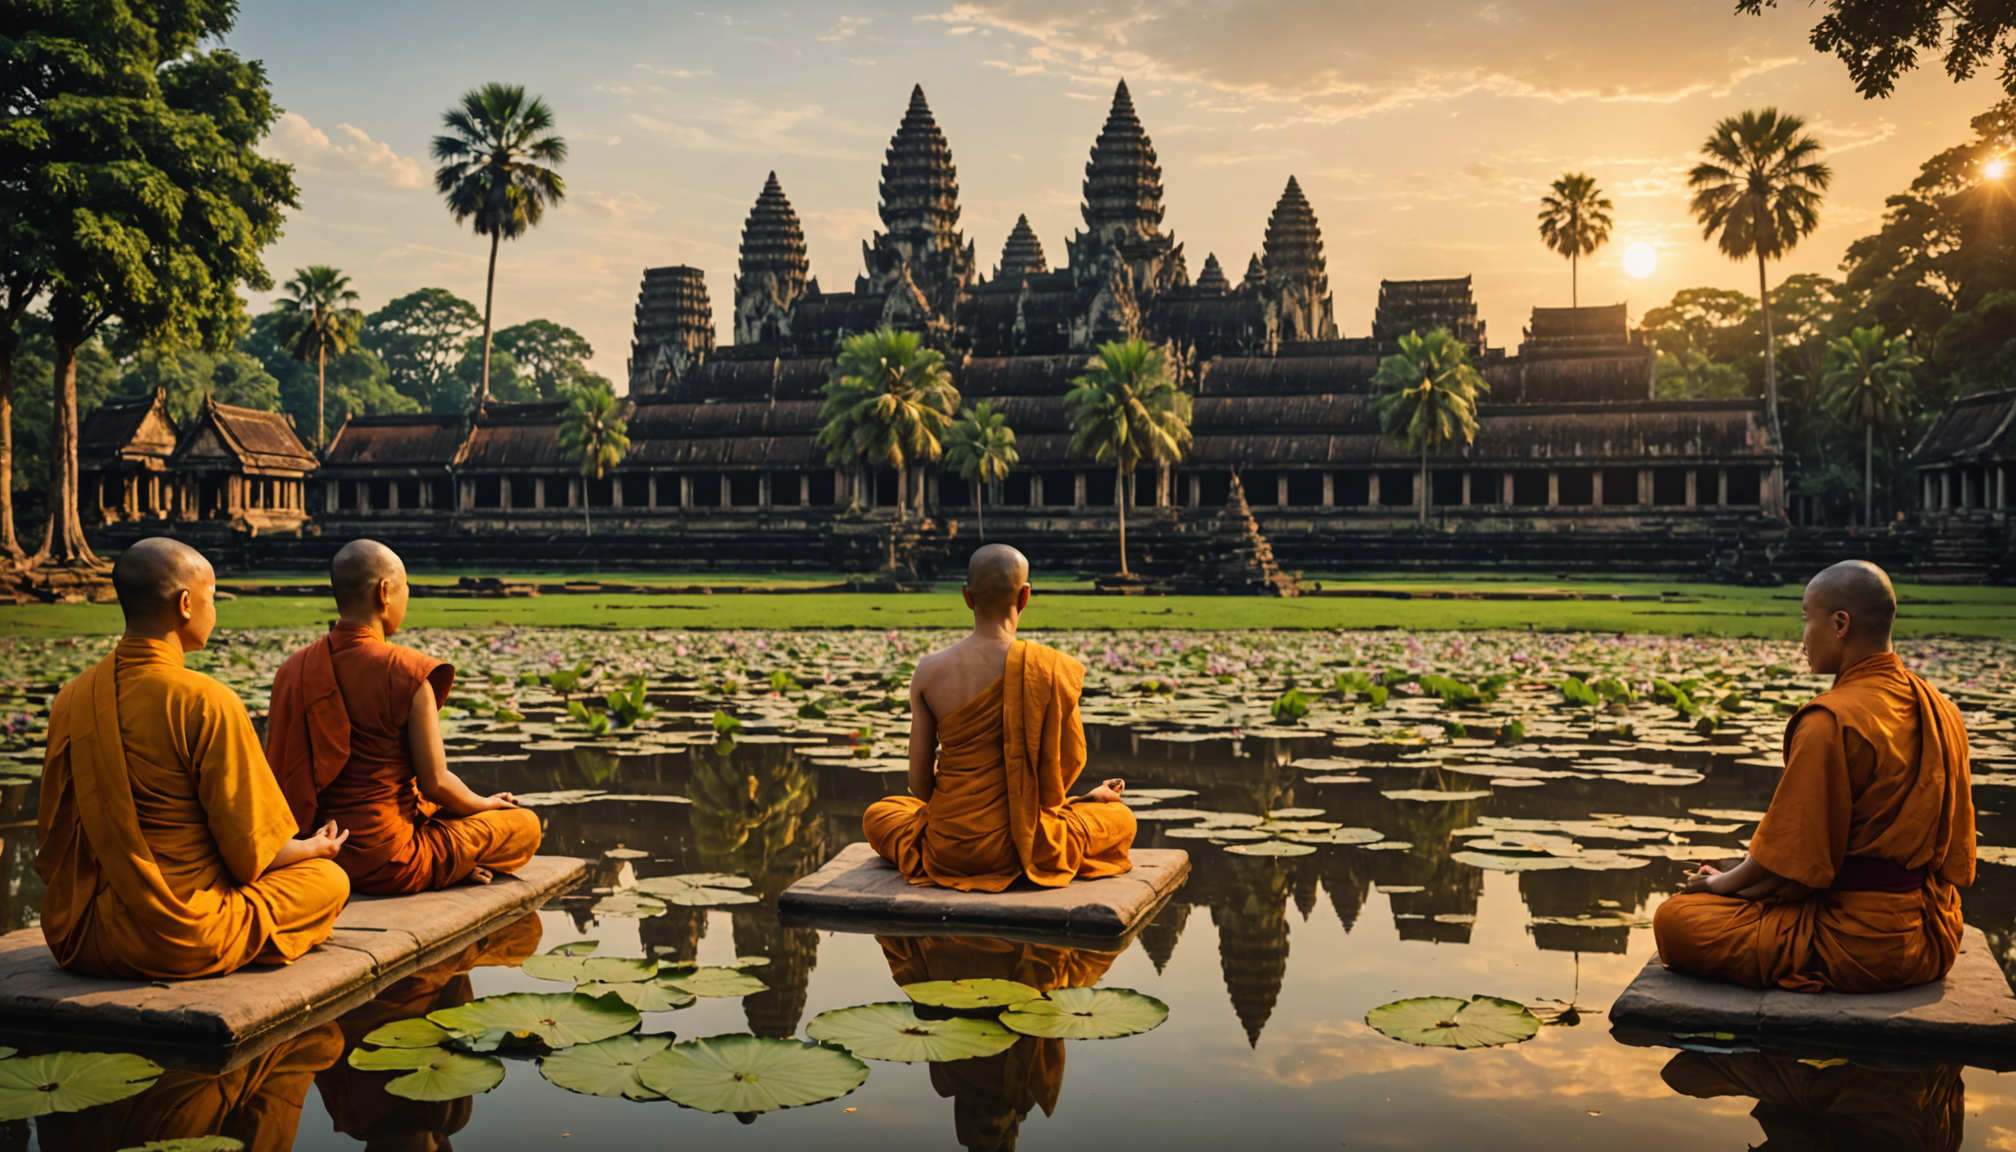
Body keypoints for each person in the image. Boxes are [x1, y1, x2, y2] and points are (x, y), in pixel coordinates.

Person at [1653, 560, 1975, 992]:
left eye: (1807, 619)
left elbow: (1790, 867)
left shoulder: (1831, 720)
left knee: (1675, 920)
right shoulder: (1942, 709)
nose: (1802, 636)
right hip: (1936, 937)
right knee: (1734, 880)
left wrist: (1714, 884)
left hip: (1860, 945)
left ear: (1841, 624)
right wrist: (1737, 874)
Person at [36, 537, 350, 979]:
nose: (213, 610)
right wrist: (315, 847)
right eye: (211, 597)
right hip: (177, 937)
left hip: (77, 934)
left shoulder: (70, 698)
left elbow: (51, 837)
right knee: (329, 881)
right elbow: (251, 858)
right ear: (185, 604)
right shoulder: (206, 701)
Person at [267, 540, 540, 894]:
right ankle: (452, 866)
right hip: (393, 860)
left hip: (316, 849)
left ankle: (454, 862)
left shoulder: (293, 669)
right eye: (405, 587)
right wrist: (485, 803)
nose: (406, 597)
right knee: (524, 825)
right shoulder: (408, 671)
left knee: (453, 816)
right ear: (385, 592)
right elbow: (436, 783)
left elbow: (279, 776)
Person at [863, 544, 1134, 890]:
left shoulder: (929, 671)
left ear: (966, 596)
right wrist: (1081, 800)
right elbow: (1058, 782)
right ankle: (1083, 810)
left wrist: (962, 808)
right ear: (1024, 597)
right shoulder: (1050, 669)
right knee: (1121, 819)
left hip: (950, 848)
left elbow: (919, 785)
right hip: (1032, 843)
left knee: (880, 814)